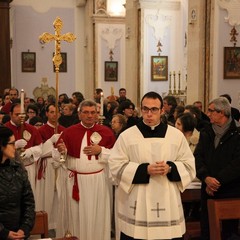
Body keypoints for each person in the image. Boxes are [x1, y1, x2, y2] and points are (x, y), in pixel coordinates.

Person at [109, 91, 196, 240]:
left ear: (162, 110)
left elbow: (189, 166)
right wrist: (144, 170)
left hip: (167, 201)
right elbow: (115, 166)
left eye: (154, 109)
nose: (149, 114)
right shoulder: (127, 136)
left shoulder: (176, 136)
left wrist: (170, 168)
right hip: (137, 203)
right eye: (145, 109)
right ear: (141, 109)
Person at [55, 99, 116, 239]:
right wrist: (62, 151)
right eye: (86, 112)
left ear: (97, 114)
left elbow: (117, 156)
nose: (90, 116)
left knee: (97, 214)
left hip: (98, 182)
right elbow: (58, 158)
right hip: (76, 182)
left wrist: (100, 150)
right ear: (79, 114)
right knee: (76, 215)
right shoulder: (69, 132)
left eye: (93, 112)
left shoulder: (106, 132)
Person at [195, 97, 240, 240]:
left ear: (222, 113)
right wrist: (206, 178)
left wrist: (217, 181)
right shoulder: (206, 132)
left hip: (229, 190)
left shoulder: (237, 134)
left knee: (228, 232)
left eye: (211, 111)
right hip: (207, 189)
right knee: (207, 230)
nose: (207, 114)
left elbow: (237, 164)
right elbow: (197, 157)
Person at [0, 126, 35, 240]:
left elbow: (28, 201)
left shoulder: (17, 167)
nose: (15, 147)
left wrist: (24, 228)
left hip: (19, 233)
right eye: (12, 143)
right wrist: (4, 233)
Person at [36, 104, 65, 230]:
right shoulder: (41, 130)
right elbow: (40, 151)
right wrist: (51, 141)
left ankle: (59, 223)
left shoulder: (64, 129)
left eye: (56, 112)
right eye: (52, 112)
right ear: (47, 113)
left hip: (61, 165)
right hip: (48, 166)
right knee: (48, 195)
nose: (54, 114)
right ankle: (47, 224)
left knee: (60, 195)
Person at [4, 103, 42, 197]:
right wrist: (13, 145)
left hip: (28, 167)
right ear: (10, 114)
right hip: (9, 168)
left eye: (22, 115)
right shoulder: (4, 129)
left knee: (28, 195)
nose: (20, 117)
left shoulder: (32, 129)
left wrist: (31, 151)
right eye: (17, 115)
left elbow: (40, 146)